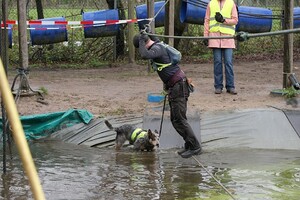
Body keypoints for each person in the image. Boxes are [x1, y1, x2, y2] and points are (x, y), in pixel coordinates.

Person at [133, 32, 202, 158]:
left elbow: (144, 55)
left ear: (142, 44)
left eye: (140, 46)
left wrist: (142, 40)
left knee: (179, 119)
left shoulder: (156, 48)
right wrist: (146, 32)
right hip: (175, 87)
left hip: (179, 87)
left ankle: (196, 147)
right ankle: (189, 144)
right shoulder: (158, 44)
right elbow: (154, 39)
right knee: (175, 119)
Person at [203, 0, 239, 95]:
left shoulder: (231, 3)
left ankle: (230, 86)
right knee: (217, 62)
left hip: (227, 38)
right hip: (215, 37)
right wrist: (206, 36)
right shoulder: (211, 3)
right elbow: (207, 20)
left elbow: (235, 20)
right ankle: (218, 86)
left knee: (228, 62)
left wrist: (224, 20)